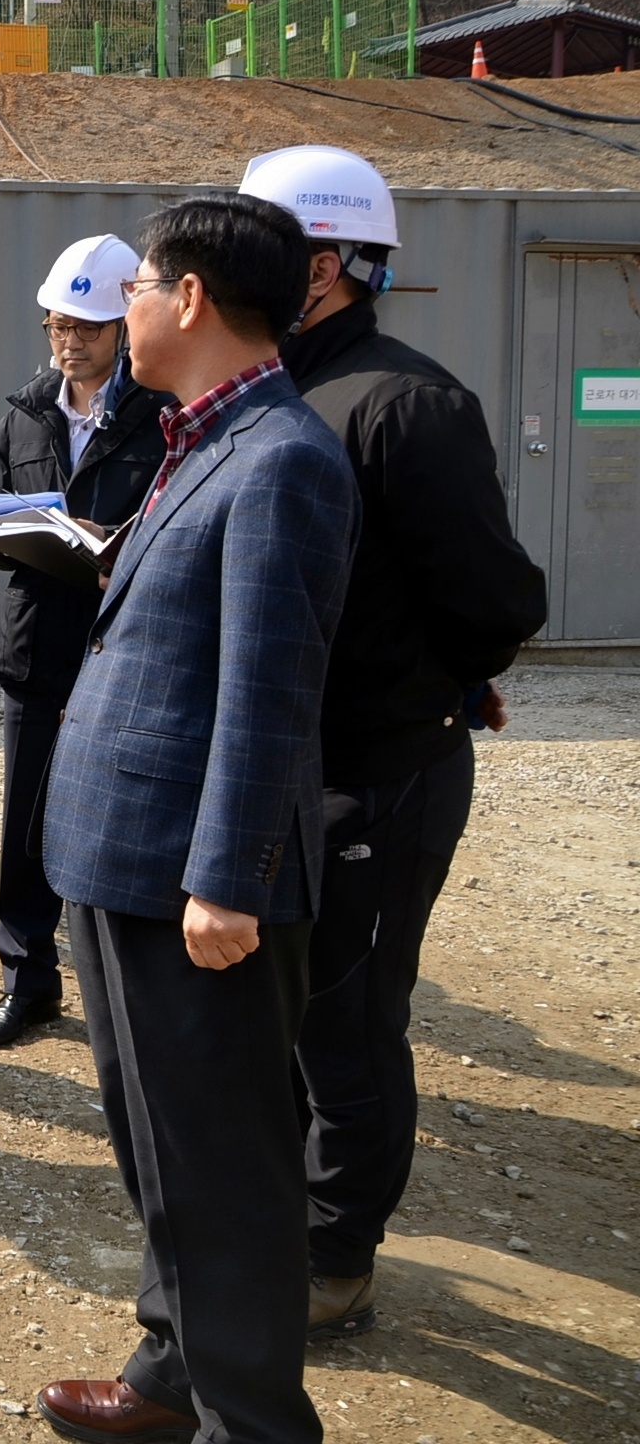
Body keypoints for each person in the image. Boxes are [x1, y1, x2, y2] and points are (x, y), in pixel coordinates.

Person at [36, 194, 356, 1444]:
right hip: (126, 858)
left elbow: (270, 686)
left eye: (137, 284)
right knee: (161, 1147)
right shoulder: (204, 434)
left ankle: (253, 1424)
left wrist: (226, 877)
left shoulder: (281, 458)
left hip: (192, 882)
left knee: (222, 1170)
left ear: (190, 301)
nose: (120, 305)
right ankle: (172, 1375)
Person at [239, 146, 549, 1338]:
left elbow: (496, 597)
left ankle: (332, 1262)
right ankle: (284, 1219)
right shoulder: (274, 391)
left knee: (349, 1021)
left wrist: (448, 674)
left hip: (377, 773)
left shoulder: (403, 403)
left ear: (320, 265)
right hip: (286, 767)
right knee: (272, 1013)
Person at [0, 234, 164, 1049]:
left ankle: (130, 992)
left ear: (123, 324)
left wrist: (116, 544)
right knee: (29, 819)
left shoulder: (162, 412)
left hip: (127, 650)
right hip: (39, 644)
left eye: (85, 326)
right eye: (56, 326)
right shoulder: (26, 411)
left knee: (124, 820)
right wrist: (27, 532)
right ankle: (27, 980)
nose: (69, 341)